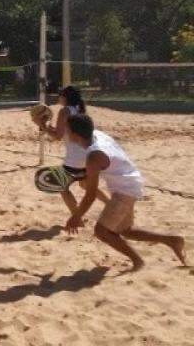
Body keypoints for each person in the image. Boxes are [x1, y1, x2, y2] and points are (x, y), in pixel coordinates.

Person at [64, 114, 187, 271]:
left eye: (67, 130)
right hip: (131, 180)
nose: (66, 133)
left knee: (101, 231)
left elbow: (91, 194)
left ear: (75, 134)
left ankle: (138, 261)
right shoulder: (96, 135)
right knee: (125, 231)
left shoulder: (94, 156)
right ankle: (171, 240)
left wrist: (76, 216)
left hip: (125, 189)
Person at [36, 86, 109, 214]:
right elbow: (63, 132)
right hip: (89, 156)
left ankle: (76, 217)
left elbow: (57, 136)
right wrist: (46, 126)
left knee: (62, 187)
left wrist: (41, 125)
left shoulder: (64, 111)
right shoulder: (80, 110)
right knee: (86, 185)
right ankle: (110, 204)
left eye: (60, 95)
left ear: (65, 97)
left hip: (75, 160)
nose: (59, 97)